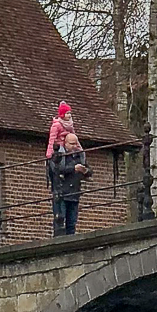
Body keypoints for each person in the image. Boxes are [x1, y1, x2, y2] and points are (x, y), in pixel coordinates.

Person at [45, 101, 89, 236]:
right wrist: (50, 153)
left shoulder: (78, 155)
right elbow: (58, 167)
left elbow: (89, 170)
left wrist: (85, 170)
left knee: (72, 224)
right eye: (72, 143)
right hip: (62, 192)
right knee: (60, 220)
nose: (75, 145)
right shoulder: (57, 128)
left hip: (74, 194)